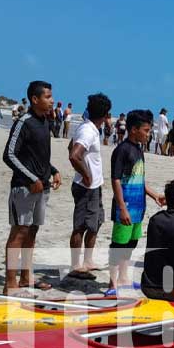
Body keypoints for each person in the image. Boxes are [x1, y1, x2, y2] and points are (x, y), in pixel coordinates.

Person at [2, 81, 62, 294]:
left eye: (51, 96)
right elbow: (9, 155)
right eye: (47, 97)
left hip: (42, 187)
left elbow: (38, 155)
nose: (52, 100)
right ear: (35, 99)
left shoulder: (45, 121)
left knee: (32, 233)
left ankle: (26, 278)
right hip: (24, 188)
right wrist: (31, 178)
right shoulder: (23, 122)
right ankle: (10, 283)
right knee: (19, 233)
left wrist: (53, 170)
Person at [108, 109, 165, 291]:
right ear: (133, 129)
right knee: (119, 245)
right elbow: (116, 179)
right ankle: (113, 283)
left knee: (131, 244)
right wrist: (122, 207)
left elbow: (138, 179)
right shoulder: (122, 150)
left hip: (138, 208)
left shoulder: (138, 150)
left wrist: (154, 195)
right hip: (125, 208)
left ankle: (124, 278)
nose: (148, 135)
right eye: (146, 130)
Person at [67, 93, 110, 280]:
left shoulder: (90, 128)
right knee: (81, 226)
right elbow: (74, 155)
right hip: (86, 187)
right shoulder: (88, 131)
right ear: (105, 114)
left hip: (94, 186)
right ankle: (76, 266)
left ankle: (88, 260)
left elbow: (70, 146)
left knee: (95, 222)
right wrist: (85, 175)